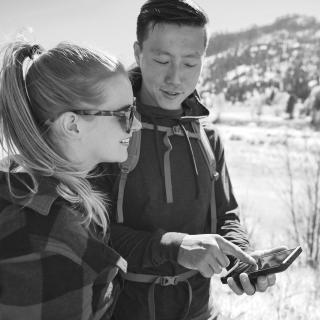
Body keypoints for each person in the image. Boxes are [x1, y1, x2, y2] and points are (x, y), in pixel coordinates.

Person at [105, 1, 283, 319]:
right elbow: (90, 231)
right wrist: (175, 248)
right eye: (162, 60)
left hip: (197, 310)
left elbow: (226, 216)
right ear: (137, 52)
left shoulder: (206, 136)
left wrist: (240, 257)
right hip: (121, 309)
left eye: (190, 64)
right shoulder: (107, 129)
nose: (175, 78)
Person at [0, 41, 141, 319]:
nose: (136, 124)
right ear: (72, 125)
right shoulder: (50, 238)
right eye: (125, 114)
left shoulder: (19, 184)